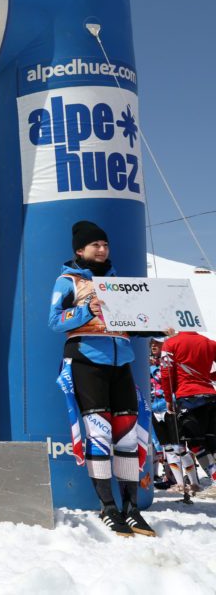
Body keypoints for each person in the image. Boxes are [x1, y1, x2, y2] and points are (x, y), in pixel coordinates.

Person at [48, 221, 160, 537]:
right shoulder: (67, 281)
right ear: (79, 250)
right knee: (99, 433)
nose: (102, 249)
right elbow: (54, 321)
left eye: (105, 245)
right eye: (95, 245)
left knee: (126, 436)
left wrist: (158, 326)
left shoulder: (117, 283)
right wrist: (87, 309)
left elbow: (132, 324)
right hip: (87, 361)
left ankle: (132, 509)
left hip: (121, 362)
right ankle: (108, 507)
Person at [161, 329, 216, 485]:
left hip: (188, 398)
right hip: (210, 397)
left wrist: (168, 398)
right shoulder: (210, 343)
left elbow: (166, 373)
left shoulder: (170, 343)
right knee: (212, 443)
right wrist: (207, 377)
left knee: (195, 444)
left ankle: (215, 477)